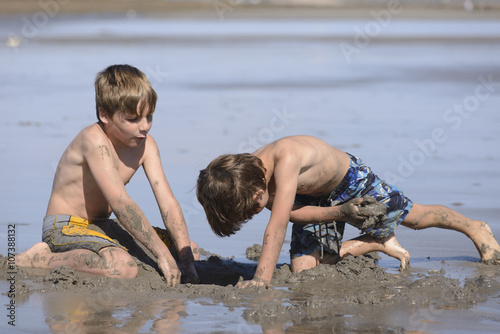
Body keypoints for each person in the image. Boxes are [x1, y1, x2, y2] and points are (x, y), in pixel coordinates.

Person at [196, 135, 500, 287]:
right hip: (313, 197)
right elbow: (293, 214)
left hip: (350, 180)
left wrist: (261, 279)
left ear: (258, 185)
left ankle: (474, 228)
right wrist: (340, 214)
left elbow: (275, 228)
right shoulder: (248, 181)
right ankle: (373, 243)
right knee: (305, 273)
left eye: (254, 207)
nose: (254, 212)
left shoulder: (285, 160)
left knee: (415, 218)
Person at [17, 64, 199, 286]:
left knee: (189, 249)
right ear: (105, 114)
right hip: (66, 227)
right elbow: (120, 202)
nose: (144, 127)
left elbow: (168, 203)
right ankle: (41, 258)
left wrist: (185, 259)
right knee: (122, 267)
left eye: (149, 117)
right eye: (133, 119)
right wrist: (161, 254)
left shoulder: (146, 145)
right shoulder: (93, 141)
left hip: (103, 226)